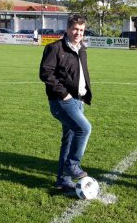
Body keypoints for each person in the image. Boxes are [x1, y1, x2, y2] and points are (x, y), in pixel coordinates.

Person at [39, 14, 93, 191]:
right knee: (84, 129)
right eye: (75, 29)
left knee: (69, 140)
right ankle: (72, 165)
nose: (78, 33)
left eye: (81, 30)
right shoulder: (55, 48)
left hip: (78, 101)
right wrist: (64, 94)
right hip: (62, 101)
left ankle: (62, 180)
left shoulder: (81, 49)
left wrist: (84, 95)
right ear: (68, 29)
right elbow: (46, 73)